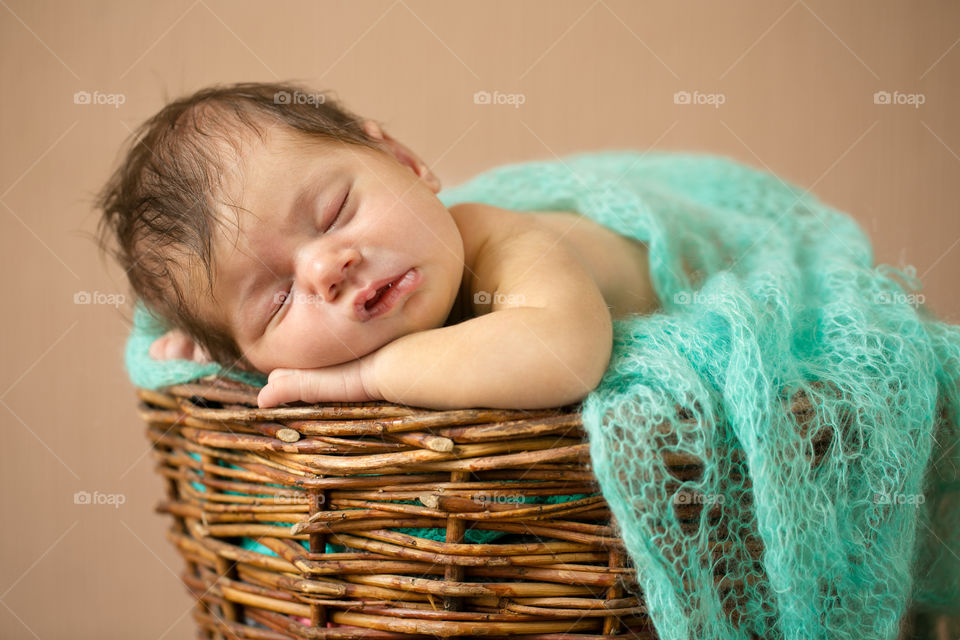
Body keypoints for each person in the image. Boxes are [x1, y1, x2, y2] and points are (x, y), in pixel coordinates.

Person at [97, 82, 659, 410]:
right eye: (278, 301)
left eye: (333, 213)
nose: (325, 270)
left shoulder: (500, 242)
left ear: (403, 161)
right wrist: (217, 359)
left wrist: (365, 378)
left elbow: (565, 353)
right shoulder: (264, 355)